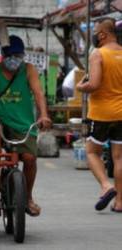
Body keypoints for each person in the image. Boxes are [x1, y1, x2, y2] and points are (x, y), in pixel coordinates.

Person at [0, 35, 51, 216]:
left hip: (23, 123)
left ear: (22, 56)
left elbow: (38, 93)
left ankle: (27, 197)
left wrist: (43, 115)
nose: (14, 60)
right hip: (0, 119)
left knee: (29, 159)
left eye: (18, 56)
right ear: (3, 55)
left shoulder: (28, 69)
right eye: (10, 55)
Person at [76, 18, 122, 212]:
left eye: (95, 31)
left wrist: (80, 86)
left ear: (103, 34)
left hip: (102, 114)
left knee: (92, 152)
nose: (94, 35)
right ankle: (120, 202)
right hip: (121, 114)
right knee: (119, 158)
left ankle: (106, 185)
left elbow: (93, 84)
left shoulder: (98, 54)